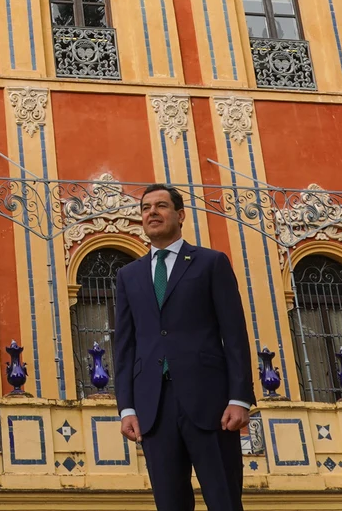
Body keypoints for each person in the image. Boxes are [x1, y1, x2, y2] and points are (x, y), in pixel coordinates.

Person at [114, 184, 253, 511]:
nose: (152, 212)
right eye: (146, 208)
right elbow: (124, 346)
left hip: (212, 404)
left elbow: (234, 334)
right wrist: (127, 408)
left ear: (179, 215)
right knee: (170, 503)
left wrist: (239, 398)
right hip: (154, 409)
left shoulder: (210, 263)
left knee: (224, 500)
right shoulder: (128, 275)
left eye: (160, 206)